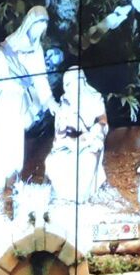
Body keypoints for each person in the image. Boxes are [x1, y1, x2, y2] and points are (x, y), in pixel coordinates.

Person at [0, 5, 57, 204]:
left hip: (18, 105)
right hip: (3, 102)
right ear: (29, 24)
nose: (39, 33)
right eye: (37, 27)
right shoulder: (7, 49)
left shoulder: (36, 50)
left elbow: (41, 80)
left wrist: (49, 101)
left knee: (13, 147)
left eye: (43, 29)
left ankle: (11, 185)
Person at [45, 66, 108, 205]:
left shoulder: (95, 98)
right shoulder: (65, 102)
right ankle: (64, 195)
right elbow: (60, 130)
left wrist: (93, 132)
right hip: (67, 143)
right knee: (53, 160)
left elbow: (102, 121)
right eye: (68, 85)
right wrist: (64, 135)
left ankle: (81, 197)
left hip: (89, 142)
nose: (71, 88)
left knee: (88, 160)